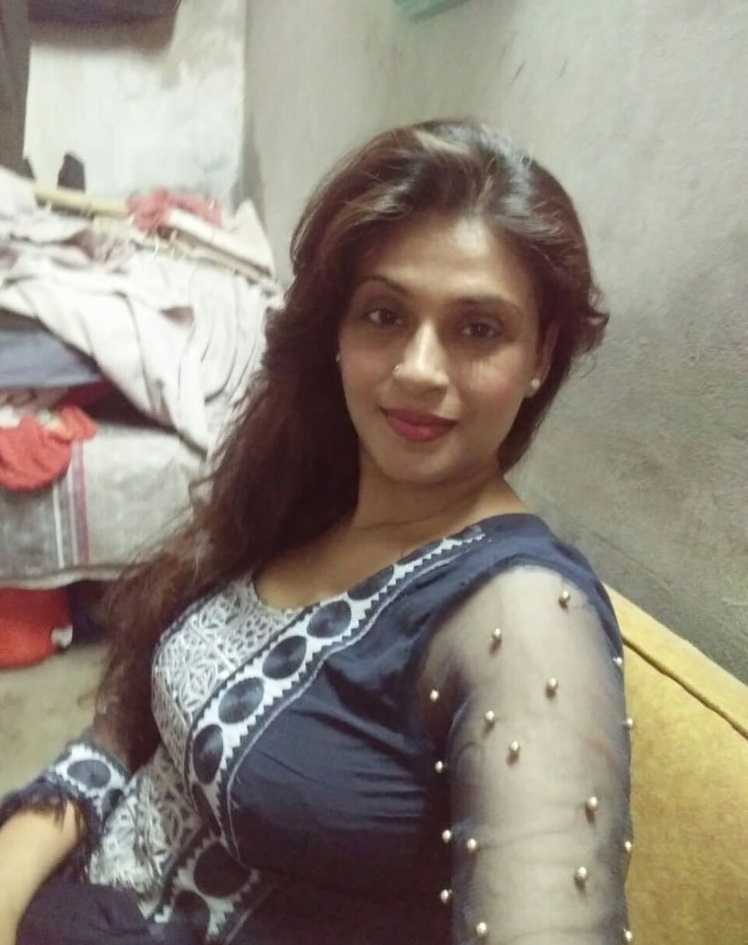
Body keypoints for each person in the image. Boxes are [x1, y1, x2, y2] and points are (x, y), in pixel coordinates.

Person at [0, 119, 633, 945]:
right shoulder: (300, 497)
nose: (418, 369)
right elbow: (130, 727)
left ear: (541, 354)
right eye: (384, 314)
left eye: (478, 328)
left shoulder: (524, 619)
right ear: (336, 330)